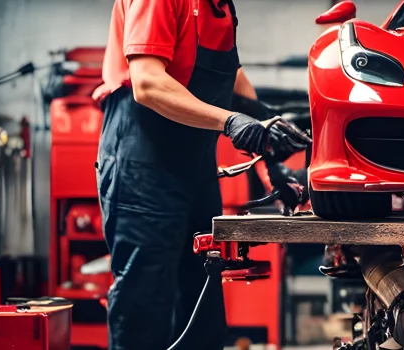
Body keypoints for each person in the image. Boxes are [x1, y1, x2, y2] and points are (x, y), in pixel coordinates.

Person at [92, 0, 312, 348]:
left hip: (194, 169)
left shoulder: (220, 6)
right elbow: (147, 82)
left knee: (203, 303)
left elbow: (231, 77)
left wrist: (268, 142)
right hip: (142, 164)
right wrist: (230, 121)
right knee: (145, 305)